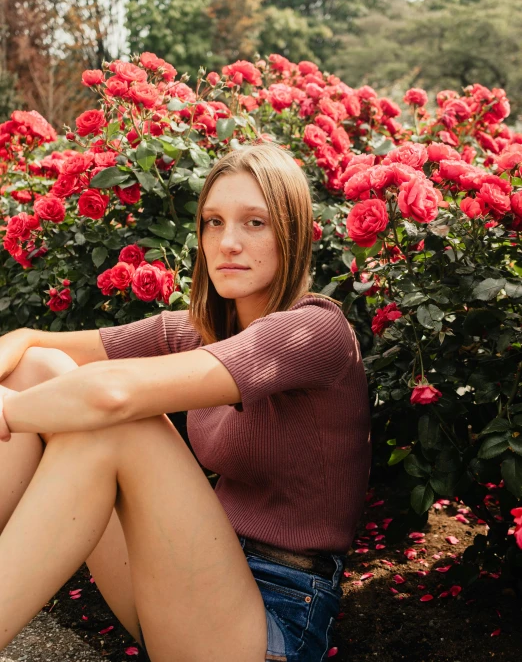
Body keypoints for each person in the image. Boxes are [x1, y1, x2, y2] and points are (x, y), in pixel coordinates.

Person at [0, 141, 371, 662]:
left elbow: (112, 395)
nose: (228, 243)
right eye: (214, 223)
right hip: (193, 582)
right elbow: (38, 346)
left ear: (291, 233)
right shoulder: (202, 331)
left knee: (119, 425)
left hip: (270, 624)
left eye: (254, 223)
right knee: (40, 370)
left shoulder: (314, 331)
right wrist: (14, 350)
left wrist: (6, 412)